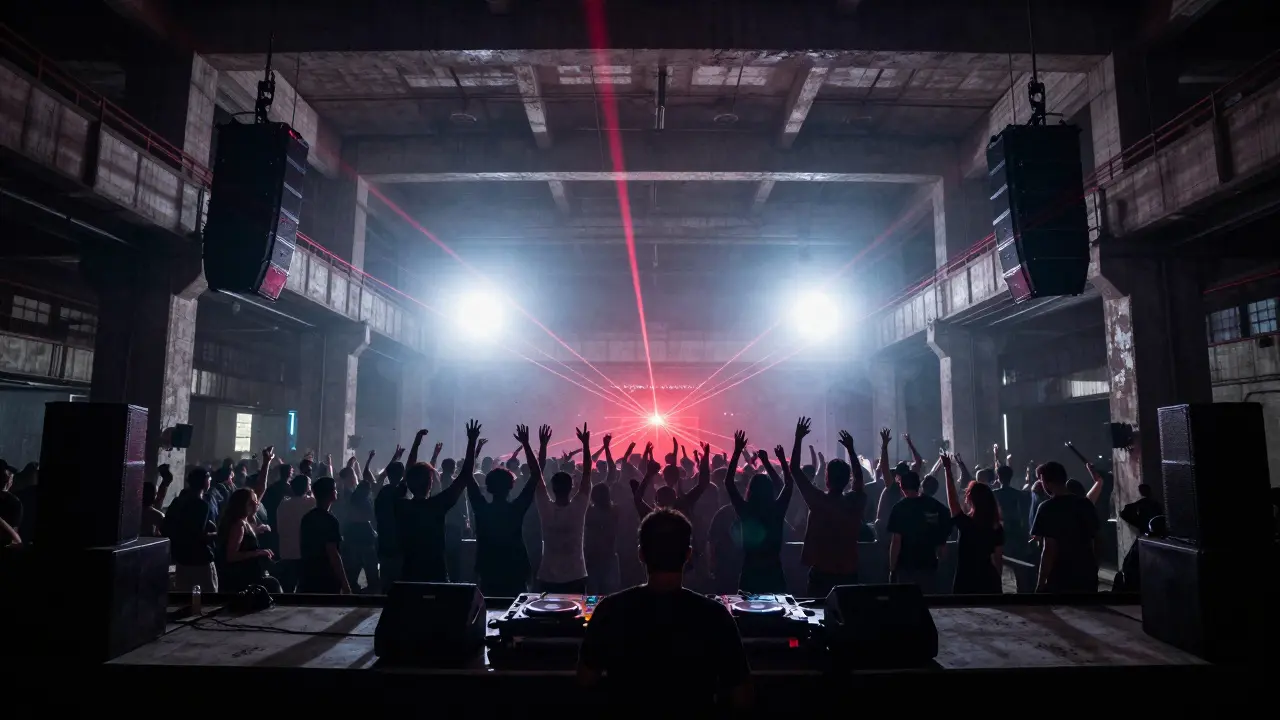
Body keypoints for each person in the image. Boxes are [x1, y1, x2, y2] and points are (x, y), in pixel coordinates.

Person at [577, 508, 752, 711]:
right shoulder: (715, 616)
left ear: (641, 554)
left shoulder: (610, 610)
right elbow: (742, 696)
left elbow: (585, 679)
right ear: (688, 554)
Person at [468, 423, 548, 596]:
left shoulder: (481, 509)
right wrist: (528, 444)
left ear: (487, 487)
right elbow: (536, 474)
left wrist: (472, 442)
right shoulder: (516, 509)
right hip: (515, 569)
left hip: (488, 569)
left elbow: (467, 475)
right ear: (511, 486)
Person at [790, 419, 867, 597]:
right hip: (848, 571)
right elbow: (859, 481)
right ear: (847, 480)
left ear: (827, 479)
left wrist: (798, 438)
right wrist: (851, 450)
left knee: (818, 616)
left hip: (822, 572)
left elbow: (794, 469)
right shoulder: (854, 502)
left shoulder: (819, 501)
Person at [396, 421, 477, 583]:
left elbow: (408, 473)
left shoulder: (401, 506)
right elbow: (465, 474)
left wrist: (417, 443)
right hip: (435, 572)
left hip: (409, 573)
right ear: (430, 483)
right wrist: (471, 441)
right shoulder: (436, 506)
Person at [720, 431, 792, 594]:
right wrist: (771, 462)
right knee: (778, 614)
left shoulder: (746, 510)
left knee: (746, 614)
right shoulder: (777, 510)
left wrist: (737, 451)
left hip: (751, 569)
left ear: (750, 490)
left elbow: (729, 482)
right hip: (773, 569)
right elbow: (787, 485)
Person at [884, 429, 952, 592]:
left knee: (906, 605)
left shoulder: (899, 508)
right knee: (929, 605)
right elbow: (945, 528)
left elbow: (896, 542)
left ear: (900, 485)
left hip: (906, 567)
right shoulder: (936, 505)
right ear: (919, 484)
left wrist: (892, 569)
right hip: (929, 565)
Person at [535, 425, 596, 593]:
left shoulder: (545, 508)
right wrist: (585, 444)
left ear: (552, 488)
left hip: (548, 577)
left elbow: (537, 474)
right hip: (576, 575)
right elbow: (587, 474)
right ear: (572, 487)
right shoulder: (578, 508)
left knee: (547, 618)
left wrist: (541, 446)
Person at [1030, 461, 1099, 593]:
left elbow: (1049, 549)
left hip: (1060, 575)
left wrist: (1041, 582)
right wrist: (1094, 567)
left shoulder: (1046, 508)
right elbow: (1098, 539)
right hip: (1086, 573)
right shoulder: (1085, 504)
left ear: (1046, 482)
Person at [941, 453, 1004, 594]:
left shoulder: (967, 524)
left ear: (970, 500)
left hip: (966, 579)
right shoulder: (996, 526)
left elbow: (952, 499)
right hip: (988, 578)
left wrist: (947, 469)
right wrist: (998, 583)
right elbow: (998, 559)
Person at [163, 467, 219, 592]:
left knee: (184, 597)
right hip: (201, 561)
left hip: (182, 559)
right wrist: (217, 534)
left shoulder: (178, 502)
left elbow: (165, 527)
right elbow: (198, 536)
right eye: (209, 479)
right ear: (205, 482)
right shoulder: (201, 505)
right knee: (208, 598)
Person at [216, 487, 280, 593]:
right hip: (242, 579)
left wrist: (257, 530)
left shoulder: (243, 522)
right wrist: (257, 553)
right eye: (252, 502)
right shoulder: (239, 525)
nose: (257, 504)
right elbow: (231, 556)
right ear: (242, 505)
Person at [299, 477, 350, 594]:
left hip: (308, 576)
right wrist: (345, 583)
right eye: (335, 489)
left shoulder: (307, 518)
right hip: (327, 577)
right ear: (330, 493)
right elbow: (333, 553)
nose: (337, 491)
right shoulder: (330, 520)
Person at [1115, 483, 1162, 592]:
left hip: (1146, 536)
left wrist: (1137, 523)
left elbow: (1124, 513)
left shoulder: (1142, 504)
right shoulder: (1155, 504)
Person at [275, 472, 314, 592]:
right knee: (305, 586)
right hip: (304, 551)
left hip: (287, 551)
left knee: (288, 586)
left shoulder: (283, 504)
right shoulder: (311, 502)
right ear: (307, 487)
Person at [375, 456, 407, 588]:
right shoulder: (399, 492)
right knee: (399, 582)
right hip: (398, 544)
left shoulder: (382, 492)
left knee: (386, 580)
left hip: (383, 541)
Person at [584, 482, 620, 594]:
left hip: (592, 557)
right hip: (609, 556)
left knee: (592, 597)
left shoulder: (589, 512)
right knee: (610, 595)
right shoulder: (615, 511)